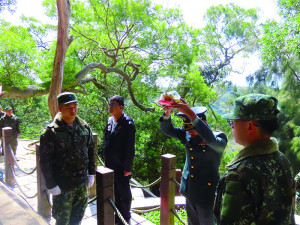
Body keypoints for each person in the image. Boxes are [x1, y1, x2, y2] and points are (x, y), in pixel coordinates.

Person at [214, 93, 294, 225]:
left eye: (232, 122)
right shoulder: (282, 160)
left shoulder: (239, 174)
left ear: (250, 126)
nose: (231, 126)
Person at [159, 99, 227, 225]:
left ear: (203, 123)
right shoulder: (188, 135)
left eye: (193, 128)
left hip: (207, 194)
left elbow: (212, 141)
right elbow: (167, 130)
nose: (190, 132)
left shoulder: (218, 137)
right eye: (188, 128)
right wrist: (167, 112)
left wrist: (191, 114)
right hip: (190, 190)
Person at [39, 92, 95, 225]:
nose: (73, 109)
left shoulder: (84, 127)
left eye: (75, 105)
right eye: (68, 106)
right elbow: (45, 161)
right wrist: (51, 184)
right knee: (63, 221)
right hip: (63, 186)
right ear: (59, 108)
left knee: (77, 219)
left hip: (81, 184)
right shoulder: (51, 132)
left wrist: (91, 173)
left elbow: (91, 151)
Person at [104, 95, 136, 225]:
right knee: (115, 191)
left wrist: (128, 168)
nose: (109, 107)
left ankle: (125, 216)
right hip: (110, 164)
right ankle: (117, 216)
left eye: (112, 105)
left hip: (122, 166)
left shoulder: (128, 123)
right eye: (109, 104)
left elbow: (130, 148)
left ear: (120, 107)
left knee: (124, 192)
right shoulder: (110, 121)